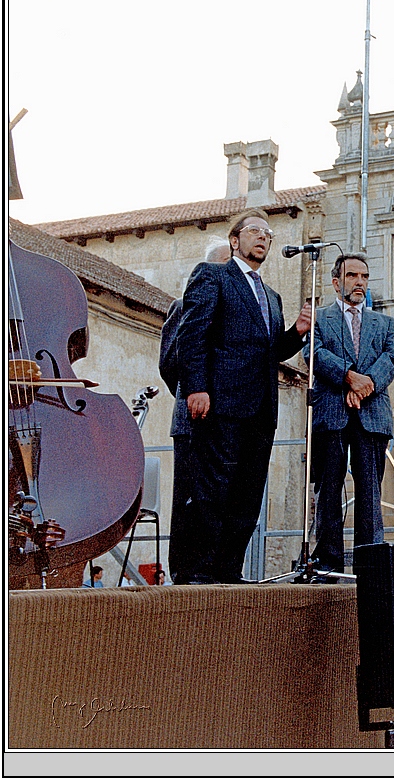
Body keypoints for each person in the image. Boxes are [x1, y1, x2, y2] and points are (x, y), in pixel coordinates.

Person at [176, 208, 311, 584]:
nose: (263, 238)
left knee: (247, 495)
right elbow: (192, 336)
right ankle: (199, 572)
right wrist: (196, 387)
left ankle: (229, 570)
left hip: (260, 409)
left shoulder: (271, 296)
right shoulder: (213, 276)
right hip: (220, 403)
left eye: (268, 234)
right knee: (213, 489)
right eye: (254, 231)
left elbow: (271, 351)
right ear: (235, 240)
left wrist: (297, 331)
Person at [307, 253, 394, 577]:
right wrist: (349, 377)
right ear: (336, 282)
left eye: (364, 276)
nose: (359, 282)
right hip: (331, 414)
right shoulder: (320, 319)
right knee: (329, 490)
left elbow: (391, 358)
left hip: (372, 415)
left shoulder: (384, 323)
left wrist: (365, 385)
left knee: (370, 493)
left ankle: (370, 563)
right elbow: (313, 354)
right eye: (352, 276)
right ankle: (328, 564)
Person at [159, 238, 232, 584]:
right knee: (188, 501)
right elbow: (172, 362)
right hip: (192, 422)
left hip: (225, 424)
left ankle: (215, 569)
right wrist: (196, 390)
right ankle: (184, 573)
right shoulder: (184, 305)